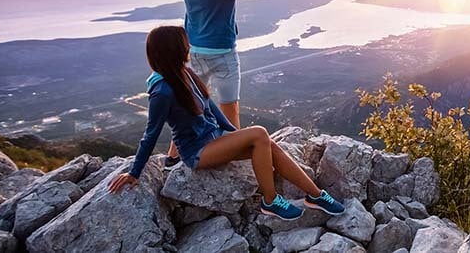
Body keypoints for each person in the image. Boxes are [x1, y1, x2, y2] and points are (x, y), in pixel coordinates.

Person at [108, 26, 344, 220]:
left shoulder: (184, 72)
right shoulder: (162, 90)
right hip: (197, 152)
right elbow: (151, 134)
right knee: (260, 133)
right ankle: (270, 201)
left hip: (215, 139)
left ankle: (315, 195)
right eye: (184, 43)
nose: (188, 46)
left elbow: (210, 106)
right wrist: (134, 172)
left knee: (267, 144)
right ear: (173, 50)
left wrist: (235, 136)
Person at [156, 0, 336, 170]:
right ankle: (234, 158)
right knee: (229, 107)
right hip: (222, 53)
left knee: (189, 104)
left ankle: (172, 157)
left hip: (193, 51)